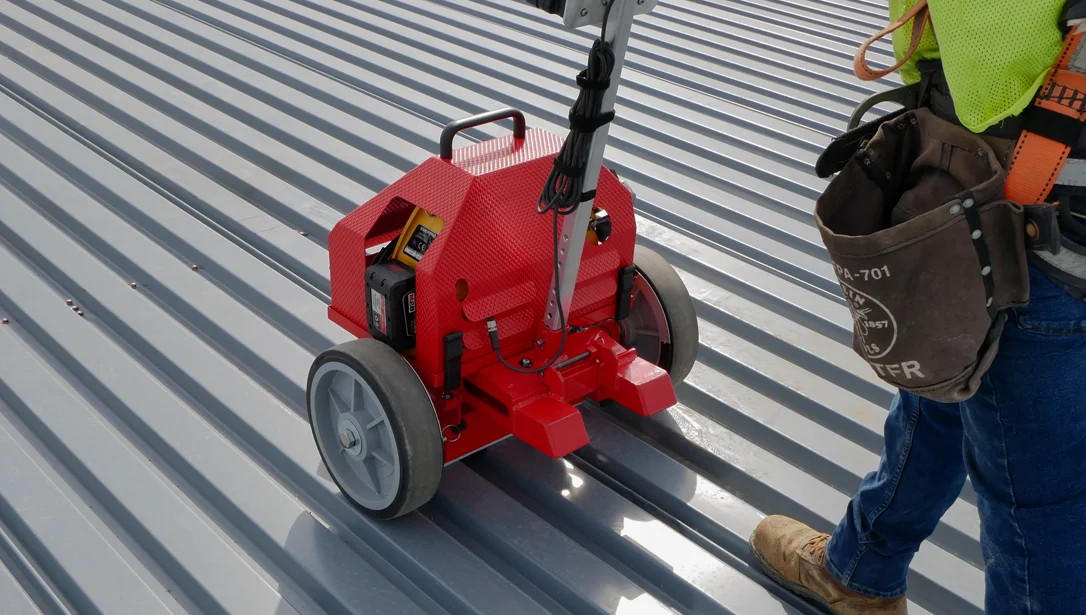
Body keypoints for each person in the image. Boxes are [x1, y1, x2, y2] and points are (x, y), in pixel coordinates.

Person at [748, 1, 1086, 614]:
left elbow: (986, 61)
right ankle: (860, 569)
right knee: (947, 373)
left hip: (1040, 220)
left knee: (1036, 511)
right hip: (1019, 205)